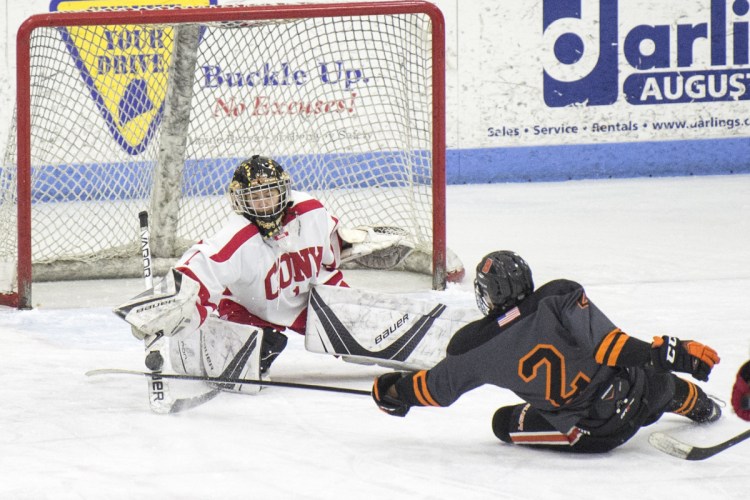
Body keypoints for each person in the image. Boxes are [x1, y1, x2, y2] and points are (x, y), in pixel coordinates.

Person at [372, 250, 722, 453]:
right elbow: (611, 346)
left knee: (502, 422)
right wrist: (661, 354)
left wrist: (391, 390)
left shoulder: (474, 344)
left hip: (595, 433)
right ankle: (699, 405)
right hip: (640, 393)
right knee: (658, 381)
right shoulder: (558, 296)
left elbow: (435, 391)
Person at [116, 155, 405, 391]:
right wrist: (161, 307)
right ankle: (205, 342)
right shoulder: (237, 237)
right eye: (255, 197)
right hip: (252, 307)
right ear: (240, 201)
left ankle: (418, 350)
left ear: (284, 191)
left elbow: (331, 247)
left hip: (310, 299)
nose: (265, 203)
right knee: (250, 361)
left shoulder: (310, 211)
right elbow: (198, 268)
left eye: (270, 193)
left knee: (371, 340)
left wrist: (354, 244)